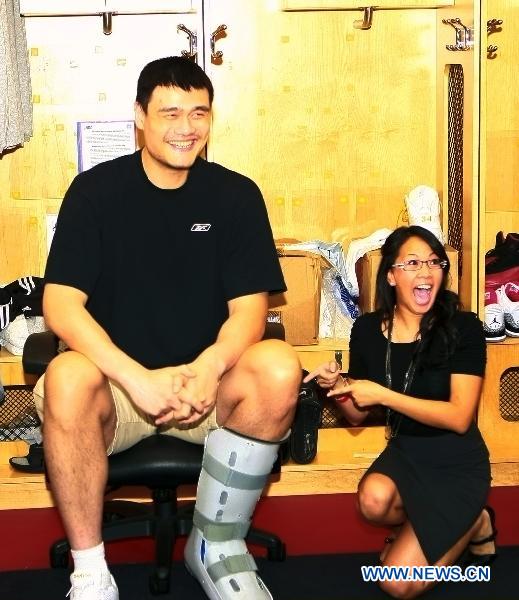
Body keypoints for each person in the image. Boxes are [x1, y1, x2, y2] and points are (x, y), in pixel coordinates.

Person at [34, 56, 301, 600]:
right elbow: (60, 306)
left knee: (279, 364)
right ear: (140, 115)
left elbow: (249, 312)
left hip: (208, 389)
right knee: (65, 375)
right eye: (170, 112)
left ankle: (218, 546)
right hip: (120, 391)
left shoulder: (235, 195)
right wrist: (137, 380)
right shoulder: (94, 192)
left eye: (198, 113)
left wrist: (207, 368)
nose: (186, 128)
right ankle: (89, 572)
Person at [305, 225, 496, 598]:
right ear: (391, 275)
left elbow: (459, 416)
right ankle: (458, 525)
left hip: (458, 462)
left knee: (397, 582)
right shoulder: (366, 331)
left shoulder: (463, 328)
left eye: (434, 262)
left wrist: (384, 395)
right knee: (372, 501)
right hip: (406, 453)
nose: (426, 272)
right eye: (412, 263)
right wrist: (336, 390)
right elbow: (357, 417)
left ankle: (473, 519)